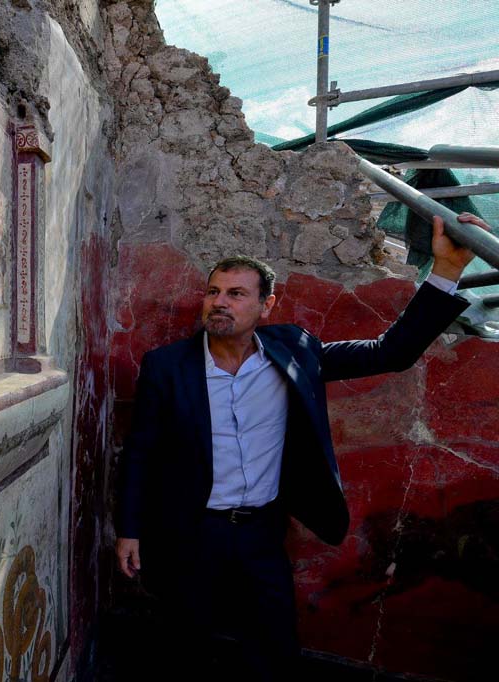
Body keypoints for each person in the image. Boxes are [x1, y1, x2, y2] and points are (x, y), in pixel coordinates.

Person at [115, 213, 492, 680]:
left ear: (266, 304)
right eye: (214, 292)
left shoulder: (293, 351)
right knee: (186, 641)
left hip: (261, 531)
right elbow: (141, 451)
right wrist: (129, 530)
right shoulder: (167, 366)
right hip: (190, 531)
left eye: (236, 294)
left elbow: (390, 353)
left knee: (273, 645)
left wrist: (447, 271)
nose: (220, 303)